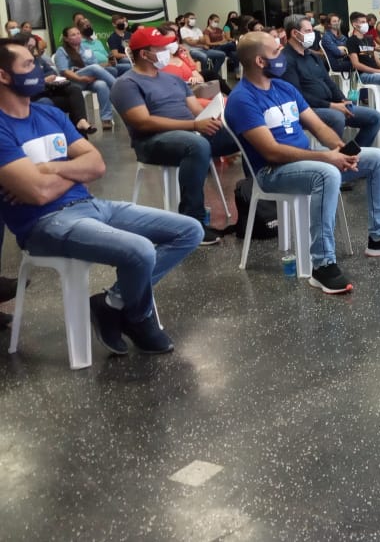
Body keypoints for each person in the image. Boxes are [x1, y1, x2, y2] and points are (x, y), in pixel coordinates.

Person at [0, 39, 202, 354]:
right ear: (3, 75)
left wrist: (50, 170)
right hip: (45, 224)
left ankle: (112, 303)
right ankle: (138, 317)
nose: (38, 71)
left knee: (189, 230)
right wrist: (69, 169)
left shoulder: (48, 113)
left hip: (91, 205)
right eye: (28, 65)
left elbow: (96, 163)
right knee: (140, 250)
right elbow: (37, 194)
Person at [225, 32, 380, 294]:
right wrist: (327, 158)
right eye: (275, 52)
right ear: (260, 61)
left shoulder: (284, 88)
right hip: (273, 173)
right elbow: (271, 152)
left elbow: (318, 127)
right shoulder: (242, 99)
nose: (281, 55)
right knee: (326, 174)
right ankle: (322, 264)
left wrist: (339, 149)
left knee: (378, 158)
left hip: (308, 163)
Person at [111, 26, 239, 246]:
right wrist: (194, 125)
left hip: (190, 134)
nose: (167, 51)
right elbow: (143, 122)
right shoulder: (126, 84)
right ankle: (193, 222)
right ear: (144, 53)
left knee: (244, 135)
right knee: (196, 145)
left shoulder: (173, 79)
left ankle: (255, 206)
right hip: (152, 142)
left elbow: (197, 111)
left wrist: (214, 119)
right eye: (161, 47)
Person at [281, 16, 380, 147]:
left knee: (375, 118)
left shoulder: (312, 56)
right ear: (295, 33)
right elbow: (297, 95)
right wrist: (331, 106)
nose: (312, 34)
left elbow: (329, 82)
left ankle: (352, 155)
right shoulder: (286, 60)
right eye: (307, 31)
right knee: (337, 117)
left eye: (312, 30)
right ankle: (334, 159)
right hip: (307, 109)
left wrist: (342, 100)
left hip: (330, 104)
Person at [13, 32, 96, 136]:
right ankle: (60, 137)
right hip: (32, 98)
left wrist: (45, 79)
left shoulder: (37, 59)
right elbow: (25, 84)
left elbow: (51, 72)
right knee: (45, 102)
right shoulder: (14, 63)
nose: (33, 50)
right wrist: (43, 80)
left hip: (48, 91)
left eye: (34, 47)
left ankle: (81, 127)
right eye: (29, 47)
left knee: (74, 91)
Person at [53, 26, 116, 130]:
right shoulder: (62, 51)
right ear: (66, 39)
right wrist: (81, 79)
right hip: (73, 82)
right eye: (73, 35)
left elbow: (96, 66)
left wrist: (106, 65)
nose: (77, 36)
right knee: (95, 68)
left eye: (78, 33)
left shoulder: (86, 48)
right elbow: (64, 71)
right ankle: (117, 86)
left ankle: (106, 119)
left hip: (89, 79)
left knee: (102, 85)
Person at [346, 11, 380, 120]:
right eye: (362, 22)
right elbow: (356, 64)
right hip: (364, 75)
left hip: (375, 72)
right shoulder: (352, 41)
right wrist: (379, 72)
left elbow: (375, 58)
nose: (365, 24)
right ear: (354, 24)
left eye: (365, 21)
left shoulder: (369, 39)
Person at [74, 13, 129, 77]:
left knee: (129, 67)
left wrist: (112, 60)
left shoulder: (98, 42)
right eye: (84, 25)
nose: (88, 26)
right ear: (79, 29)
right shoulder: (80, 45)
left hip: (110, 65)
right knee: (113, 70)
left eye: (89, 24)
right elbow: (87, 65)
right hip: (98, 69)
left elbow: (107, 56)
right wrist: (106, 64)